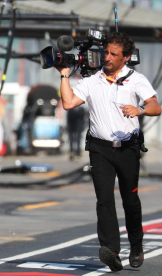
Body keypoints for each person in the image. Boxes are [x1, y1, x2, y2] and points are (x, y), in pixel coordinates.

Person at [56, 32, 161, 271]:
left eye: (114, 54)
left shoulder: (136, 79)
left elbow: (156, 106)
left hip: (128, 148)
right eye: (106, 53)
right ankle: (111, 250)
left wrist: (139, 109)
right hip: (100, 148)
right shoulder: (93, 80)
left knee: (130, 200)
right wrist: (63, 75)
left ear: (125, 58)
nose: (108, 57)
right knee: (104, 200)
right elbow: (69, 102)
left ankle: (136, 245)